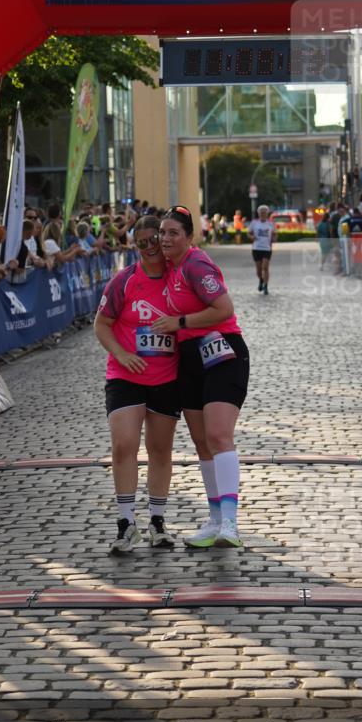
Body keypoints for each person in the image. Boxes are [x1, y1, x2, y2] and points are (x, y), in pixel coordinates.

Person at [152, 206, 249, 549]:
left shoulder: (196, 264)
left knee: (219, 434)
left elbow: (224, 309)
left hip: (222, 352)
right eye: (162, 232)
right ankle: (214, 518)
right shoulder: (166, 267)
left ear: (189, 237)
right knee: (201, 442)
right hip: (189, 358)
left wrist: (179, 324)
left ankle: (231, 523)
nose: (165, 238)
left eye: (173, 233)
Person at [94, 216, 179, 554]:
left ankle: (157, 520)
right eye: (140, 242)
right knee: (124, 445)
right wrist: (122, 352)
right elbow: (101, 325)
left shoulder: (179, 278)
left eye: (152, 240)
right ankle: (126, 523)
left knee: (160, 450)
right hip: (124, 375)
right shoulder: (124, 281)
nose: (147, 247)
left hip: (166, 377)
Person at [247, 205, 275, 293]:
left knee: (265, 267)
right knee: (259, 271)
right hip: (256, 248)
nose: (263, 214)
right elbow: (248, 233)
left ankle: (266, 287)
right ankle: (261, 280)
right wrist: (251, 237)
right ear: (258, 214)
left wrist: (274, 238)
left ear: (267, 214)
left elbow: (275, 234)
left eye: (264, 212)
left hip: (267, 248)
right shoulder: (254, 223)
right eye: (261, 212)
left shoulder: (271, 223)